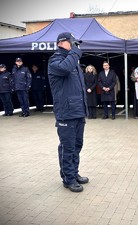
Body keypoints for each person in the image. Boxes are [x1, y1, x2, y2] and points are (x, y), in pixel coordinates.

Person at [48, 32, 89, 193]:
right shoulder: (55, 60)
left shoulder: (73, 62)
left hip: (78, 111)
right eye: (71, 43)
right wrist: (74, 53)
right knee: (68, 147)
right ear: (61, 43)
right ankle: (68, 179)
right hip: (66, 112)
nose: (74, 46)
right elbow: (64, 69)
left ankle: (74, 173)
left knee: (77, 145)